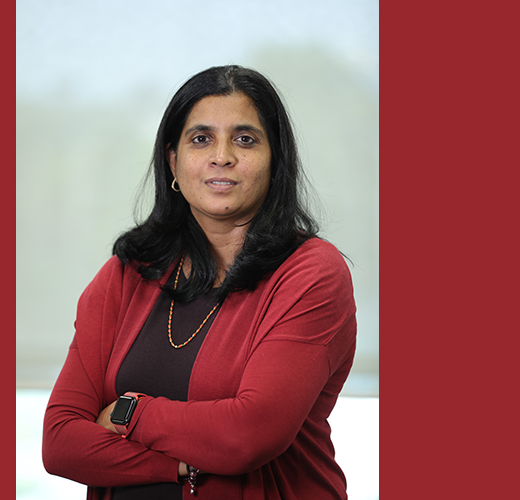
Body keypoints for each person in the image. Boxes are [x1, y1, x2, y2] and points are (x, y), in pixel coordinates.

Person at [42, 65, 357, 500]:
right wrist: (179, 467)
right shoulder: (127, 273)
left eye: (244, 139)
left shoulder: (310, 274)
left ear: (275, 161)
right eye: (201, 138)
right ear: (173, 161)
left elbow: (248, 435)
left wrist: (130, 413)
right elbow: (60, 443)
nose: (221, 156)